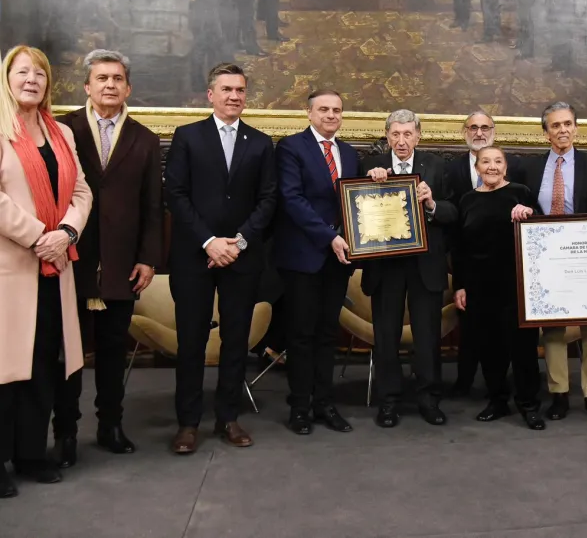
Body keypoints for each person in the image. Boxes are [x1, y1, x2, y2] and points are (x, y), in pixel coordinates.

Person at [49, 49, 161, 466]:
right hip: (71, 260)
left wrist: (148, 258)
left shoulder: (145, 139)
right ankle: (65, 432)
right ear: (87, 86)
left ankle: (110, 424)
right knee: (68, 353)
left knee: (114, 351)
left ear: (128, 87)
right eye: (102, 78)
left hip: (121, 265)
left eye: (117, 79)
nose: (110, 85)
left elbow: (153, 206)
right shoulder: (62, 131)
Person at [164, 62, 276, 454]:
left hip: (242, 259)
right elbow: (174, 195)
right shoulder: (187, 137)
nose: (234, 96)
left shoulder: (261, 143)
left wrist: (237, 243)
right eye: (226, 89)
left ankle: (228, 417)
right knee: (192, 342)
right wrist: (210, 241)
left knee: (235, 342)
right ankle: (187, 423)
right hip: (194, 257)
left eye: (240, 90)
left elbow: (268, 200)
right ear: (210, 95)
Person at [0, 46, 92, 498]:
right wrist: (40, 235)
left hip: (55, 266)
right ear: (7, 78)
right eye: (22, 72)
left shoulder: (62, 134)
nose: (31, 79)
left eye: (40, 73)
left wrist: (67, 233)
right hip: (11, 268)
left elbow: (81, 191)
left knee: (42, 363)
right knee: (4, 368)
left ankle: (32, 454)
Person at [515, 101, 587, 422]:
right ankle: (558, 393)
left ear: (576, 127)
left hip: (586, 254)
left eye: (568, 123)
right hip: (548, 259)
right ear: (546, 133)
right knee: (552, 324)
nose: (563, 130)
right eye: (555, 125)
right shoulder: (529, 168)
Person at [362, 110, 457, 427]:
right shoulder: (370, 167)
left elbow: (453, 210)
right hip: (385, 264)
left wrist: (431, 204)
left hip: (425, 265)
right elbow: (355, 210)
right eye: (395, 134)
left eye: (407, 134)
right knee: (386, 336)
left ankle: (429, 399)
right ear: (387, 136)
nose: (401, 141)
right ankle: (388, 401)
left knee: (427, 336)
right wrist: (370, 185)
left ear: (418, 135)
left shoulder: (438, 166)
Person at [274, 89, 359, 435]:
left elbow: (357, 199)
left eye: (337, 110)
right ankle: (299, 406)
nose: (331, 115)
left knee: (327, 334)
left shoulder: (351, 154)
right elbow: (291, 199)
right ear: (309, 113)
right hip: (303, 256)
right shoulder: (291, 148)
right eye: (323, 109)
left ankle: (325, 403)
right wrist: (330, 236)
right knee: (301, 334)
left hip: (338, 260)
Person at [453, 146, 545, 430]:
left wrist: (529, 214)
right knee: (489, 348)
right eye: (485, 162)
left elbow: (544, 233)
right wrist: (460, 286)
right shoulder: (466, 200)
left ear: (505, 167)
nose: (491, 167)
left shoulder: (521, 193)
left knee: (523, 349)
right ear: (477, 168)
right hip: (480, 286)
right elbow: (459, 249)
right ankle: (497, 401)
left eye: (497, 161)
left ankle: (529, 405)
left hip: (517, 284)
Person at [445, 110, 497, 396]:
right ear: (464, 132)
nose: (479, 133)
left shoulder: (511, 166)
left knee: (499, 326)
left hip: (503, 262)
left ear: (494, 131)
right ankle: (464, 380)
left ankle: (497, 383)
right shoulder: (449, 170)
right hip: (464, 259)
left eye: (484, 127)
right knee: (468, 322)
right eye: (473, 127)